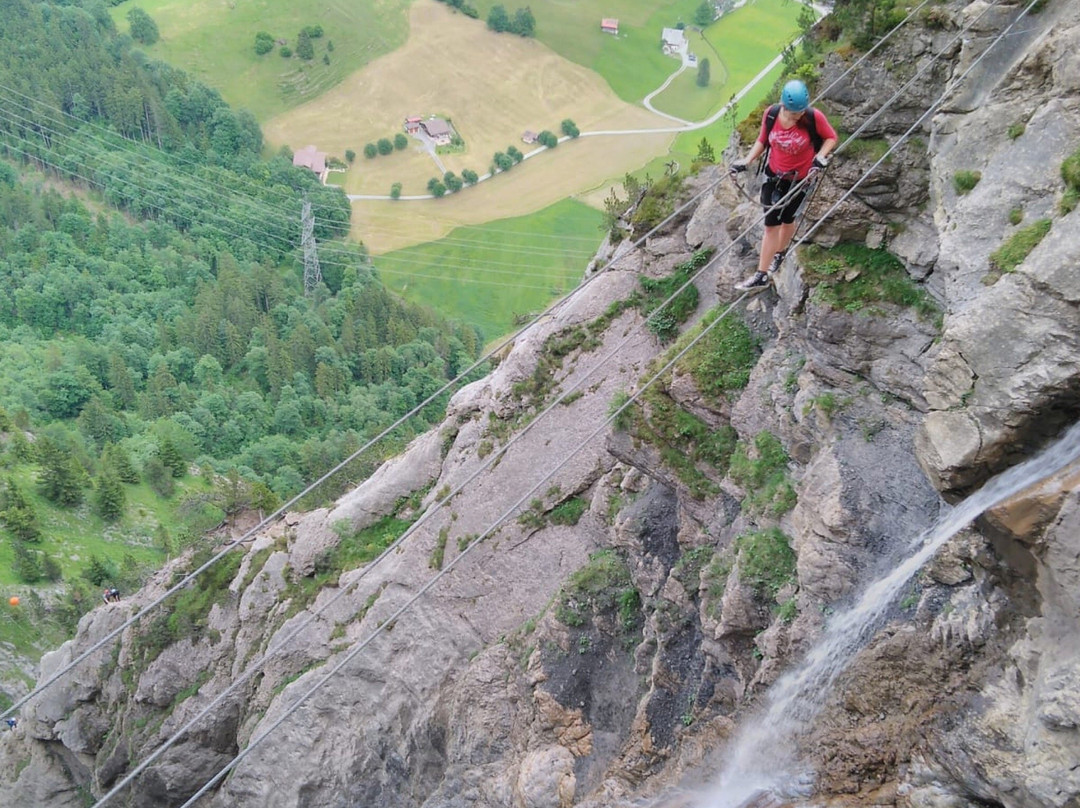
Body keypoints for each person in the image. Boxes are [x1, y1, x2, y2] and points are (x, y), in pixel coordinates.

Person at [729, 79, 838, 291]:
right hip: (773, 176)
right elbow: (763, 140)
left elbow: (831, 137)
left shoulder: (813, 117)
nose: (797, 116)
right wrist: (746, 161)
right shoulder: (771, 114)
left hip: (800, 179)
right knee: (771, 225)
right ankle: (761, 274)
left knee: (788, 219)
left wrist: (820, 157)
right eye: (793, 113)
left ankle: (780, 252)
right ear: (784, 106)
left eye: (800, 112)